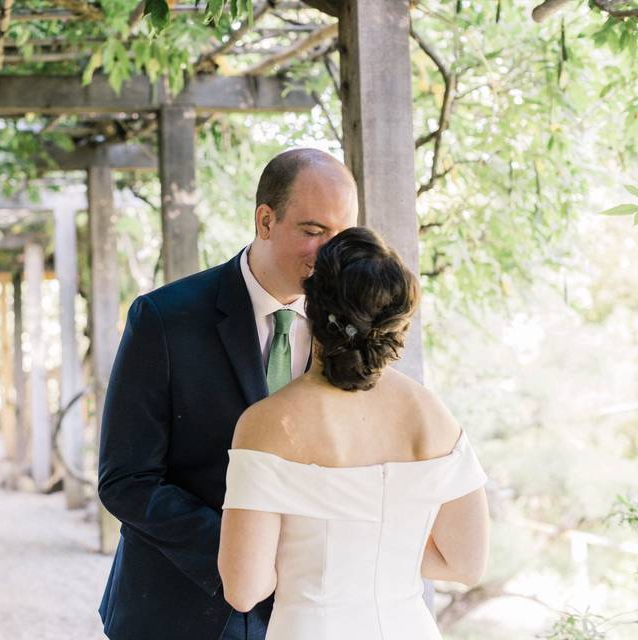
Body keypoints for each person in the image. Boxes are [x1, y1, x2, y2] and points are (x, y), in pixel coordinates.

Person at [97, 148, 359, 640]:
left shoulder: (349, 327)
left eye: (341, 235)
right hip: (176, 608)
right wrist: (243, 554)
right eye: (312, 231)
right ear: (265, 220)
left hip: (306, 614)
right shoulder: (164, 319)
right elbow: (126, 479)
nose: (330, 254)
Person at [217, 226, 490, 639]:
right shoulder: (435, 417)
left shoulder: (266, 423)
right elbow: (466, 563)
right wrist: (383, 544)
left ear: (313, 306)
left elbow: (244, 588)